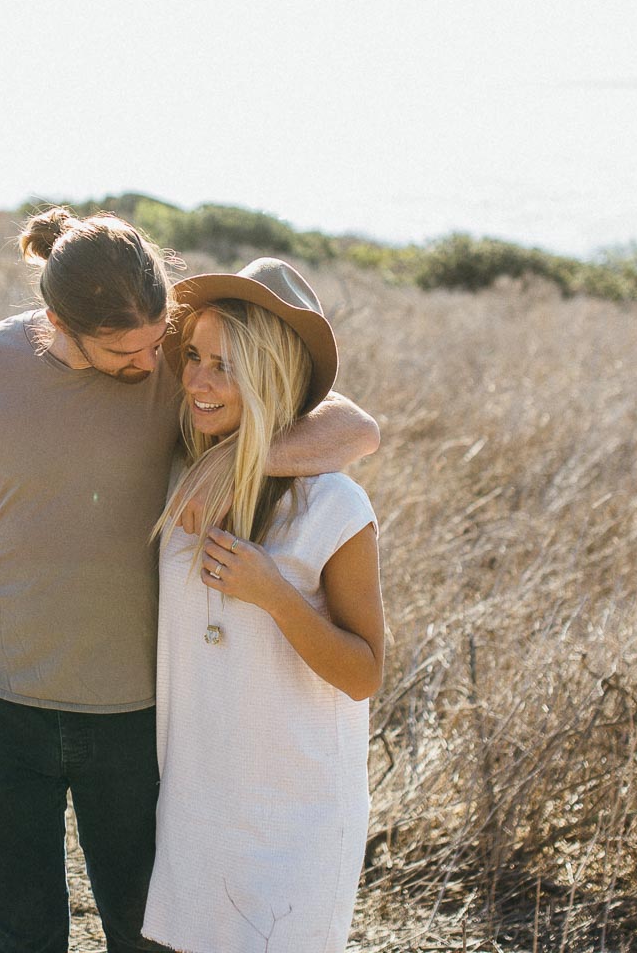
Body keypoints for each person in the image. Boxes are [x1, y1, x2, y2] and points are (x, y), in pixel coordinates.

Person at [0, 209, 379, 953]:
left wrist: (234, 460)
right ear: (58, 321)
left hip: (133, 720)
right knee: (20, 935)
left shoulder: (180, 369)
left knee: (143, 935)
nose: (153, 364)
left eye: (161, 341)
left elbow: (352, 424)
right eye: (127, 352)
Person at [142, 258, 384, 953]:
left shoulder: (334, 506)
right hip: (191, 818)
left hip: (292, 825)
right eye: (191, 356)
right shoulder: (179, 476)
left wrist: (275, 595)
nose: (196, 380)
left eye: (224, 364)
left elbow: (364, 672)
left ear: (269, 372)